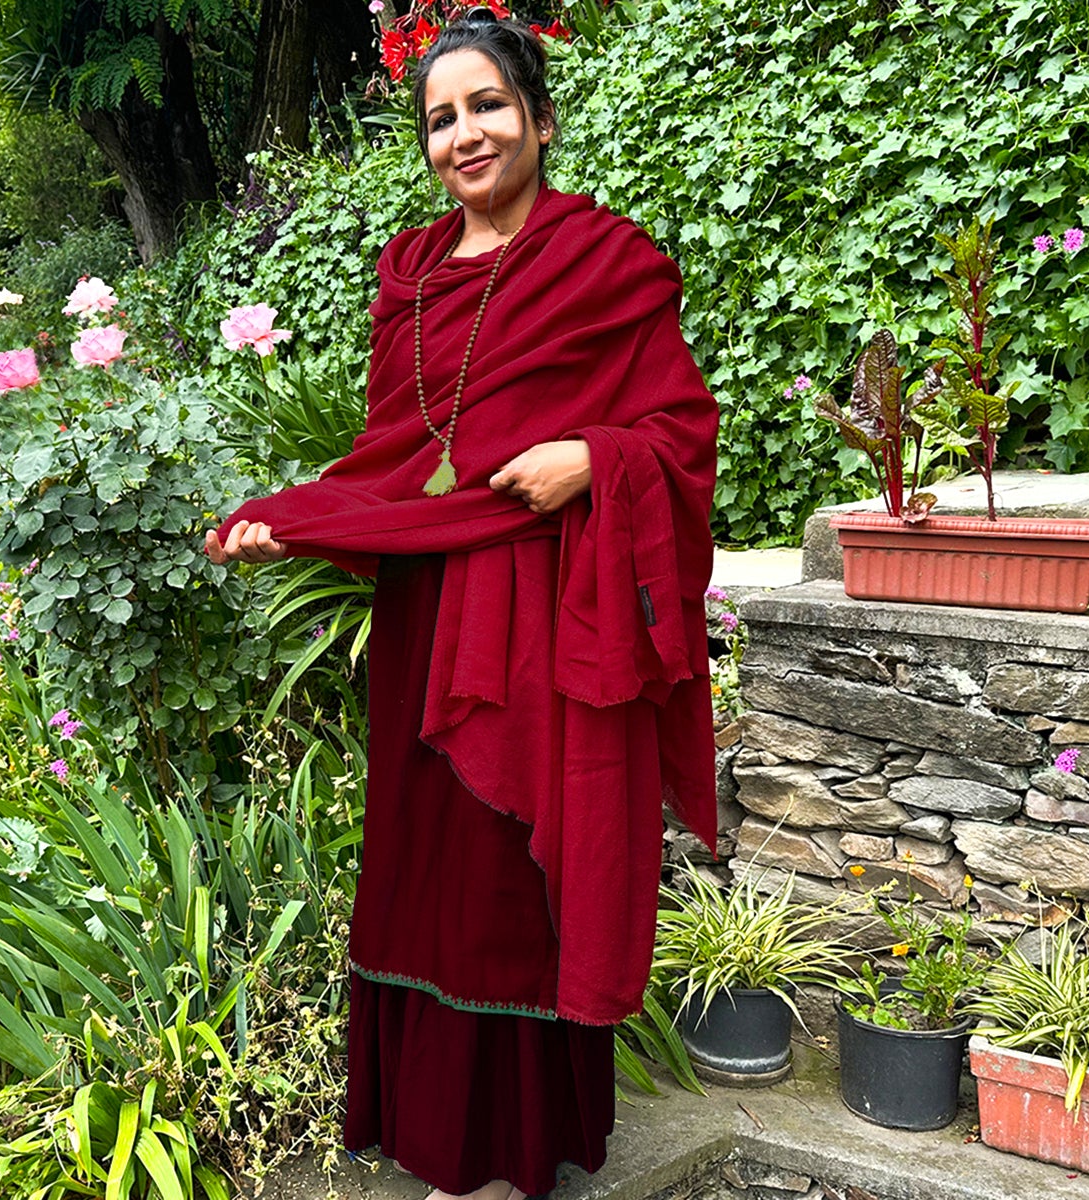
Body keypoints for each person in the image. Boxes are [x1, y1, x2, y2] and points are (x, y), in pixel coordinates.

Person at [204, 9, 719, 1199]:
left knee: (508, 871)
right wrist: (303, 516)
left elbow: (678, 434)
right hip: (430, 611)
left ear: (538, 119)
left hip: (544, 611)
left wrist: (593, 457)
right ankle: (438, 1141)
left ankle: (513, 1150)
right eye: (441, 117)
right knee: (425, 861)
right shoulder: (412, 276)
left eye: (487, 106)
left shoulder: (608, 264)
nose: (464, 134)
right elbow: (393, 454)